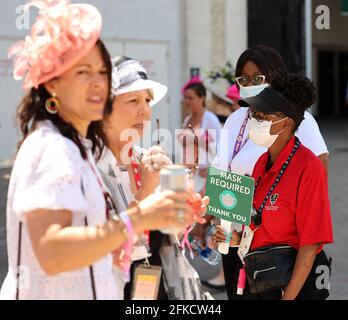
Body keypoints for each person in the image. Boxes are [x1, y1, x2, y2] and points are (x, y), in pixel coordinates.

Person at [0, 1, 196, 300]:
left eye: (103, 72)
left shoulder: (78, 150)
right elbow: (53, 253)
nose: (97, 83)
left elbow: (108, 248)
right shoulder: (54, 147)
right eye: (82, 71)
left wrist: (166, 215)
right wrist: (141, 216)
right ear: (52, 83)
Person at [194, 45, 330, 300]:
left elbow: (316, 184)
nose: (249, 84)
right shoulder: (239, 125)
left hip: (285, 256)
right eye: (243, 79)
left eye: (257, 78)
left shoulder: (299, 124)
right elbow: (225, 177)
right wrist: (214, 223)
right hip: (245, 248)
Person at [99, 56, 210, 300]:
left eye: (148, 100)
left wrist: (186, 208)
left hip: (163, 289)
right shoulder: (90, 168)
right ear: (104, 109)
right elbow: (99, 248)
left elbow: (173, 234)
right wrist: (146, 191)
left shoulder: (147, 160)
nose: (145, 111)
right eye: (133, 100)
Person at [235, 71, 333, 300]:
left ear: (287, 122)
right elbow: (258, 222)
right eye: (254, 115)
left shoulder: (309, 168)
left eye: (263, 116)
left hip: (293, 286)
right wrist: (234, 239)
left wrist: (287, 298)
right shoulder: (262, 162)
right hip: (261, 276)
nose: (256, 121)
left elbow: (310, 245)